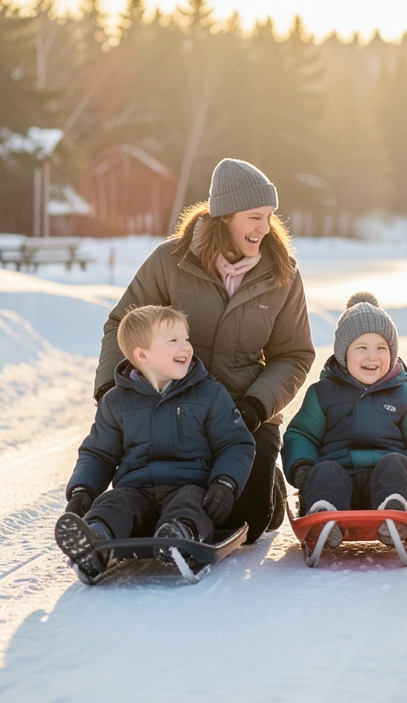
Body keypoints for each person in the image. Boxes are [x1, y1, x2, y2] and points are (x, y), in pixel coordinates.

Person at [95, 159, 315, 544]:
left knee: (245, 524)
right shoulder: (171, 260)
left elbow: (294, 355)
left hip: (243, 416)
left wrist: (257, 406)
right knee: (150, 498)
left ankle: (268, 484)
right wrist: (109, 391)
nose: (264, 228)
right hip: (171, 407)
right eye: (253, 217)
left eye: (268, 216)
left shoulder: (282, 273)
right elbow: (123, 323)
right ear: (225, 216)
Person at [56, 305, 256, 580]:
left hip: (191, 485)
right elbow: (99, 453)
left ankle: (178, 535)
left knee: (190, 505)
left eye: (186, 339)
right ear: (142, 355)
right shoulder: (116, 402)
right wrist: (82, 489)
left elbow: (235, 443)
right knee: (114, 503)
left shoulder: (209, 393)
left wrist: (224, 483)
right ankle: (94, 540)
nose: (185, 346)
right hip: (136, 489)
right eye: (173, 341)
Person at [282, 293, 407, 548]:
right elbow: (302, 435)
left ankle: (395, 515)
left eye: (381, 348)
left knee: (396, 464)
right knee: (324, 471)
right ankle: (325, 518)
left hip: (385, 480)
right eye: (362, 348)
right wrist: (303, 468)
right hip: (338, 478)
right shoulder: (322, 393)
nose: (372, 356)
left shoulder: (406, 395)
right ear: (343, 354)